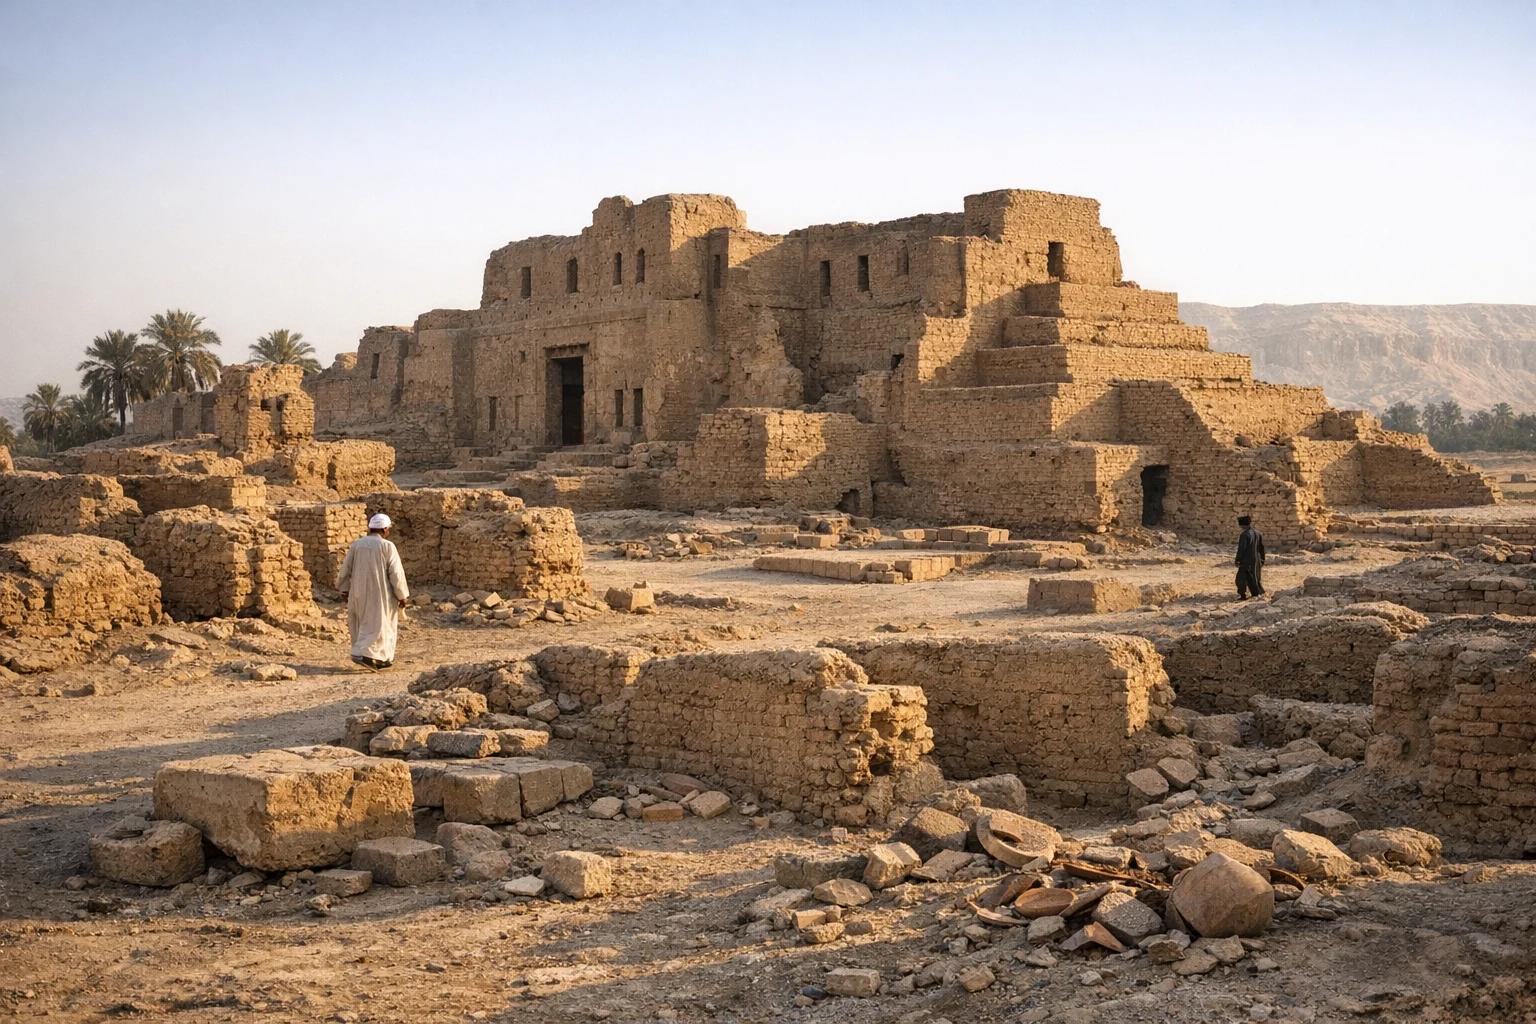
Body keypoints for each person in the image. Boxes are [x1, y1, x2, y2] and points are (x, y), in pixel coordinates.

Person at [337, 513, 409, 670]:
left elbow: (345, 569)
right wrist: (402, 595)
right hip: (380, 593)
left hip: (357, 591)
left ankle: (380, 658)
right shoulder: (387, 546)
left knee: (362, 622)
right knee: (379, 625)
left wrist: (344, 589)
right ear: (385, 529)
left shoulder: (357, 544)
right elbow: (396, 573)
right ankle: (364, 654)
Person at [1235, 514, 1265, 600]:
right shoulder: (1257, 533)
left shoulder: (1244, 535)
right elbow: (1261, 547)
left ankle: (1242, 595)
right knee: (1254, 577)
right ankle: (1257, 593)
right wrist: (1262, 559)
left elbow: (1242, 548)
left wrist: (1238, 559)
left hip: (1247, 560)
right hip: (1256, 559)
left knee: (1241, 579)